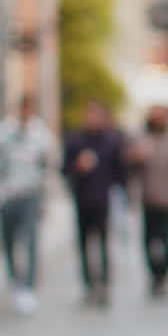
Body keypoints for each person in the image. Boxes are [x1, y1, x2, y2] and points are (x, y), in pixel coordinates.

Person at [0, 93, 56, 315]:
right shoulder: (2, 133)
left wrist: (45, 199)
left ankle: (28, 287)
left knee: (30, 242)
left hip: (30, 195)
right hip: (7, 196)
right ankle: (14, 281)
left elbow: (46, 167)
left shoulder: (41, 134)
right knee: (8, 242)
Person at [126, 104, 168, 297]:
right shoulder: (140, 138)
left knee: (165, 239)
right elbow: (128, 168)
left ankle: (164, 274)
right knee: (148, 239)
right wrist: (134, 157)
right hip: (148, 197)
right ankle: (154, 276)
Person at [61, 101, 126, 306]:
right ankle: (88, 285)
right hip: (82, 201)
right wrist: (77, 167)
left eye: (96, 116)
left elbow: (119, 171)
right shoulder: (75, 141)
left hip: (103, 202)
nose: (92, 120)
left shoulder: (111, 141)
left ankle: (104, 285)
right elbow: (64, 170)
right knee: (83, 246)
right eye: (89, 116)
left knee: (104, 245)